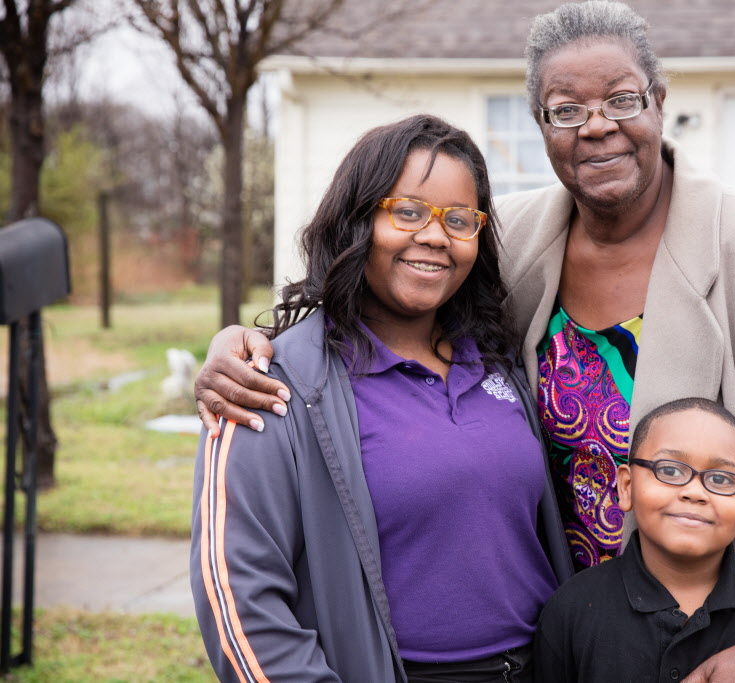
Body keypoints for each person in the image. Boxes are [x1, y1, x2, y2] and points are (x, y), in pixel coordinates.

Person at [194, 2, 735, 679]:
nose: (597, 128)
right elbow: (368, 288)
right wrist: (239, 343)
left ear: (658, 101)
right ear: (542, 125)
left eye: (622, 100)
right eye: (567, 110)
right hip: (572, 641)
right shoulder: (514, 240)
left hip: (719, 640)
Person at [190, 114, 572, 683]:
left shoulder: (502, 360)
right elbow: (237, 595)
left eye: (459, 220)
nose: (436, 237)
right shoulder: (274, 380)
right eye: (408, 212)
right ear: (357, 222)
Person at [533, 397, 735, 682]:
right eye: (670, 471)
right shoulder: (571, 610)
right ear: (627, 486)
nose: (694, 491)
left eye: (720, 479)